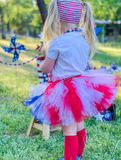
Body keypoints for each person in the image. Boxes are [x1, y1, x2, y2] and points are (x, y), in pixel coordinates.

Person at [25, 0, 119, 159]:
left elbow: (46, 69)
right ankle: (78, 155)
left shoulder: (57, 42)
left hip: (64, 92)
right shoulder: (84, 40)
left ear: (56, 18)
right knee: (79, 126)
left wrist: (42, 65)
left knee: (68, 131)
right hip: (81, 88)